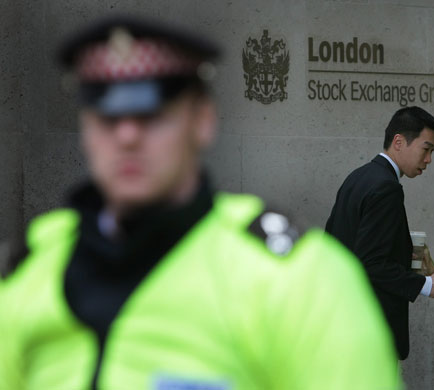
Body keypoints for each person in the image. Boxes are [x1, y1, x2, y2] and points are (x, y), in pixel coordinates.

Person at [0, 15, 403, 389]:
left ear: (203, 121)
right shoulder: (34, 267)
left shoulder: (298, 274)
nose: (126, 137)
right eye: (106, 118)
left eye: (151, 115)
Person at [325, 106, 434, 361]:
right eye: (426, 149)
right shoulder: (387, 188)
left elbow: (340, 245)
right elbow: (371, 263)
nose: (429, 159)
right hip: (370, 331)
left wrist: (409, 259)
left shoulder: (358, 177)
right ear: (398, 142)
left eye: (433, 152)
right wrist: (426, 285)